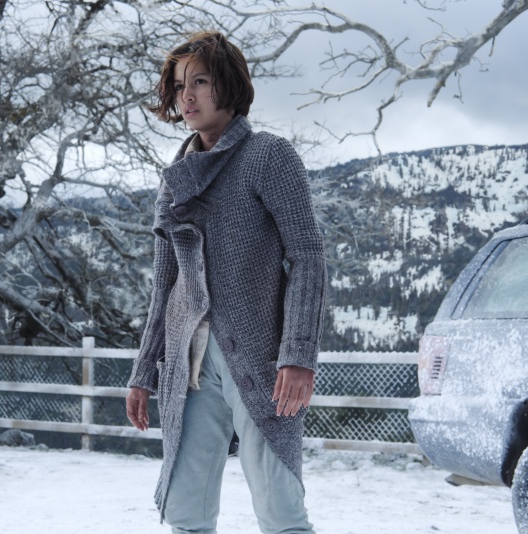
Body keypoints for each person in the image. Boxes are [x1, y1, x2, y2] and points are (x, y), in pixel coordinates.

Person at [126, 30, 326, 534]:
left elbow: (307, 256)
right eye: (179, 86)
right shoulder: (176, 178)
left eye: (200, 82)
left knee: (280, 511)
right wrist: (144, 371)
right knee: (186, 512)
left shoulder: (268, 156)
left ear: (230, 86)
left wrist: (298, 354)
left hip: (260, 359)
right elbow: (165, 284)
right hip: (188, 364)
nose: (186, 96)